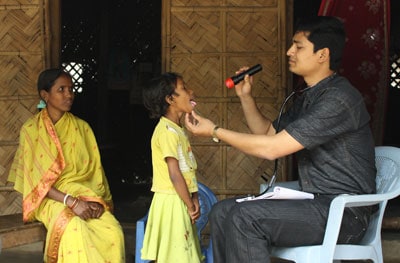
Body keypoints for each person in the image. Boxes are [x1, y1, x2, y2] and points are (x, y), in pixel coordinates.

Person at [184, 16, 377, 263]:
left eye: (298, 46)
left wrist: (215, 131)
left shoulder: (338, 99)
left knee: (245, 218)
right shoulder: (309, 96)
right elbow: (268, 134)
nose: (289, 52)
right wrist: (245, 97)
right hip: (316, 204)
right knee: (223, 212)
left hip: (345, 215)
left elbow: (273, 149)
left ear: (323, 54)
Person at [8, 68, 125, 263]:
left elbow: (95, 172)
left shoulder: (82, 127)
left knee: (113, 231)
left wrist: (95, 202)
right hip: (48, 199)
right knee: (74, 228)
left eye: (71, 89)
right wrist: (71, 202)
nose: (69, 95)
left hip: (84, 194)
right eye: (61, 89)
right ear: (45, 95)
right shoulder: (30, 130)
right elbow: (37, 182)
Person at [140, 72, 204, 262]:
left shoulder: (178, 129)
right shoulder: (166, 132)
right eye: (183, 88)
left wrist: (194, 198)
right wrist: (190, 203)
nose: (190, 91)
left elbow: (187, 170)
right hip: (172, 201)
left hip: (181, 199)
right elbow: (175, 174)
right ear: (170, 99)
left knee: (181, 253)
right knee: (176, 256)